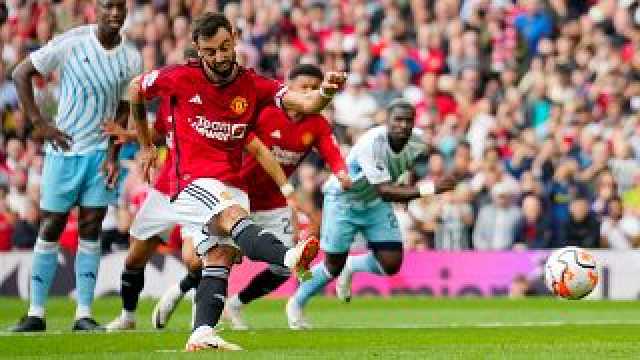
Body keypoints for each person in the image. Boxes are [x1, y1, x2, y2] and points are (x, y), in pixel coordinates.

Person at [130, 12, 346, 351]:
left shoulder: (253, 84)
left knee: (219, 258)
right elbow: (136, 90)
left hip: (232, 185)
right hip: (190, 181)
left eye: (224, 47)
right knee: (230, 220)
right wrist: (144, 144)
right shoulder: (178, 78)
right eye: (209, 51)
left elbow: (306, 101)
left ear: (234, 37)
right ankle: (288, 257)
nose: (218, 57)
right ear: (197, 49)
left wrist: (326, 94)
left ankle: (201, 332)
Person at [152, 63, 352, 331]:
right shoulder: (264, 112)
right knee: (207, 258)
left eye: (314, 89)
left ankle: (235, 304)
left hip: (273, 202)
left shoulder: (316, 124)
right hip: (235, 194)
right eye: (304, 87)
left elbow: (332, 152)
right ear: (289, 86)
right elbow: (255, 149)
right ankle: (184, 295)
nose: (309, 92)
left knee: (283, 269)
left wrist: (341, 173)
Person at [10, 0, 142, 332]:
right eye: (108, 7)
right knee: (51, 226)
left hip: (100, 156)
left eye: (120, 8)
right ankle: (36, 313)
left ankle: (83, 313)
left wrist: (114, 154)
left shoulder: (132, 57)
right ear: (95, 10)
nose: (115, 13)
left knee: (91, 228)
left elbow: (124, 110)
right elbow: (21, 72)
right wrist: (39, 122)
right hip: (63, 151)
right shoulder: (72, 42)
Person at [286, 99, 456, 329]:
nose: (403, 125)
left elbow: (406, 164)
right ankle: (296, 303)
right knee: (332, 266)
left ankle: (353, 266)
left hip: (374, 202)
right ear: (387, 121)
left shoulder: (417, 141)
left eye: (408, 120)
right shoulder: (372, 143)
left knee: (391, 263)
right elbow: (386, 191)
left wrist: (405, 183)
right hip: (344, 200)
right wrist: (431, 189)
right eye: (397, 120)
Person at [104, 48, 203, 332]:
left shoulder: (211, 102)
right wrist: (131, 136)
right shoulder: (169, 99)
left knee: (195, 259)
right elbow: (160, 133)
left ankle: (187, 300)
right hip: (165, 187)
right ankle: (128, 316)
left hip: (198, 187)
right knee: (135, 256)